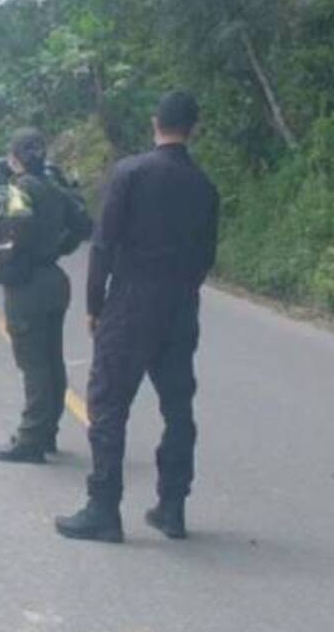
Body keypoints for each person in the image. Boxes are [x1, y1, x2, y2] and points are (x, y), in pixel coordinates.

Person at [55, 90, 219, 543]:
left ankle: (103, 508)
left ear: (155, 122)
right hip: (180, 305)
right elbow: (207, 255)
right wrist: (181, 292)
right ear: (193, 129)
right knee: (178, 407)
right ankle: (172, 506)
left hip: (131, 303)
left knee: (107, 403)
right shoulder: (204, 186)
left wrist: (94, 305)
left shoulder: (131, 173)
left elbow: (103, 244)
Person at [0, 129, 93, 464]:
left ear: (15, 156)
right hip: (52, 277)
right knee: (51, 359)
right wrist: (59, 248)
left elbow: (16, 227)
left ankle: (31, 439)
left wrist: (7, 258)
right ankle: (47, 431)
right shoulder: (56, 189)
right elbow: (84, 225)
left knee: (33, 363)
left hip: (27, 282)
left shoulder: (19, 189)